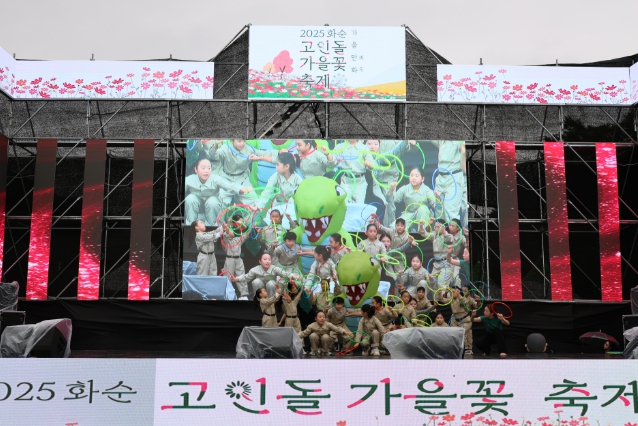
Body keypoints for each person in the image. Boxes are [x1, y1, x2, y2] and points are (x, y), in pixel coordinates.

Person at [206, 139, 277, 208]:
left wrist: (279, 153)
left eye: (244, 141)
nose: (242, 143)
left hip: (243, 180)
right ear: (232, 141)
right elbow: (213, 155)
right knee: (219, 203)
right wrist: (216, 144)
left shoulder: (249, 150)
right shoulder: (225, 148)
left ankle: (248, 215)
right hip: (226, 179)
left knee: (254, 202)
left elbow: (264, 153)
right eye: (239, 141)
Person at [184, 158, 252, 226]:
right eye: (203, 168)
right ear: (196, 169)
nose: (206, 171)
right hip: (196, 205)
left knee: (212, 201)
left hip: (213, 206)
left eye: (209, 168)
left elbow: (229, 186)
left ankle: (211, 226)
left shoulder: (215, 179)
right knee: (190, 198)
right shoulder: (189, 179)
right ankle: (191, 224)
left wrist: (241, 189)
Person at [365, 140, 416, 226]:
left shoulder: (379, 158)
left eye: (375, 144)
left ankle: (387, 228)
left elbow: (393, 152)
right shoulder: (362, 154)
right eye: (369, 144)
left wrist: (405, 141)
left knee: (385, 203)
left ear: (379, 145)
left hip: (377, 183)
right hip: (364, 185)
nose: (372, 146)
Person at [388, 166, 440, 231]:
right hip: (409, 213)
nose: (413, 178)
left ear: (422, 179)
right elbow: (392, 200)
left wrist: (438, 197)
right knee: (394, 228)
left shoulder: (427, 191)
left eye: (416, 176)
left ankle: (422, 233)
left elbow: (435, 205)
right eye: (411, 175)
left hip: (423, 214)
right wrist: (391, 190)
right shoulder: (405, 188)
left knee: (423, 208)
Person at [430, 140, 467, 227]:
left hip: (454, 178)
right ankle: (442, 234)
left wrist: (463, 150)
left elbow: (464, 168)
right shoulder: (441, 141)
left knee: (450, 211)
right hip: (440, 177)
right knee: (439, 210)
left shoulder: (459, 142)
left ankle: (455, 234)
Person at [231, 252, 300, 298]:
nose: (267, 261)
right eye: (265, 259)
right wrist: (236, 279)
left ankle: (271, 302)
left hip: (271, 289)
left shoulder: (274, 268)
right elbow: (246, 277)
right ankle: (258, 301)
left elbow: (284, 273)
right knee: (256, 281)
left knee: (271, 283)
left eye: (269, 259)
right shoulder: (255, 269)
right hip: (261, 288)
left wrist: (293, 276)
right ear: (260, 261)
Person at [439, 287, 480, 354]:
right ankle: (456, 349)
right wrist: (440, 293)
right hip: (455, 320)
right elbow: (443, 300)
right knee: (453, 334)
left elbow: (472, 304)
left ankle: (467, 348)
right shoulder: (452, 299)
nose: (452, 293)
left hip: (465, 320)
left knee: (462, 333)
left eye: (453, 292)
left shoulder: (464, 299)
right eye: (451, 292)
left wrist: (478, 301)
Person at [332, 139, 373, 203]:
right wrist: (329, 155)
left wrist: (369, 164)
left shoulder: (364, 148)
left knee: (358, 205)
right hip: (345, 180)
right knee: (344, 205)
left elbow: (372, 165)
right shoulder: (339, 147)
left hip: (360, 182)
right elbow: (331, 162)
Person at [220, 215, 251, 298]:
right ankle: (227, 295)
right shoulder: (226, 240)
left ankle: (244, 295)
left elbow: (248, 232)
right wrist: (229, 224)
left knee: (241, 276)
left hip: (238, 259)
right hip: (229, 259)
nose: (231, 232)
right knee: (227, 276)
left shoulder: (239, 239)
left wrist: (242, 224)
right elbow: (227, 233)